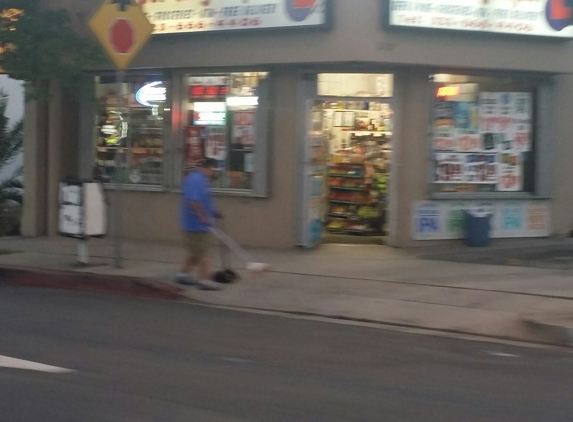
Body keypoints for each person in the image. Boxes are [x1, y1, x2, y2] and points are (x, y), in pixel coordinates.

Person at [176, 158, 220, 290]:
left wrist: (213, 212)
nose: (213, 173)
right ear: (208, 167)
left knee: (195, 253)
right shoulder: (196, 179)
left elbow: (204, 199)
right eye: (213, 169)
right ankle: (204, 280)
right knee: (203, 254)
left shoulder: (202, 180)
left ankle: (182, 275)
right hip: (195, 225)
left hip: (199, 224)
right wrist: (203, 217)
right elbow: (193, 201)